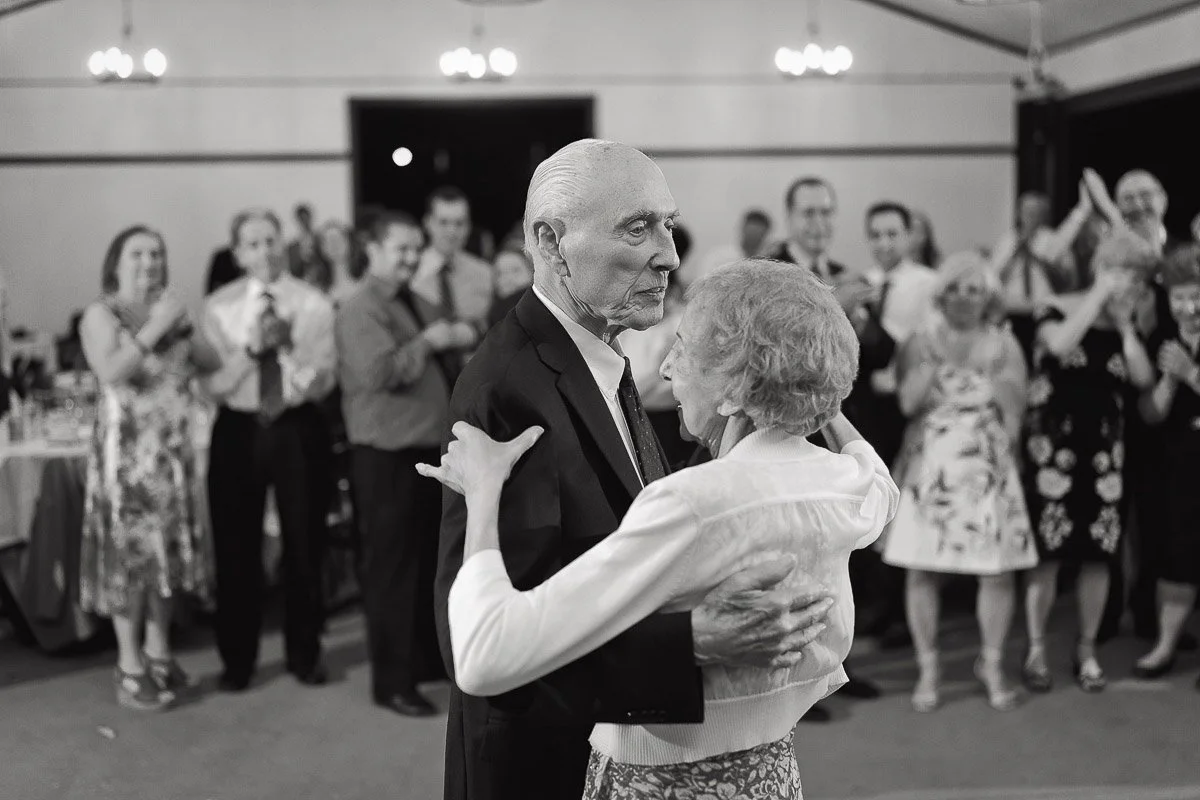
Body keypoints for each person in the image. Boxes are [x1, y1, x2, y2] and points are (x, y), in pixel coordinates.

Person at [431, 139, 835, 800]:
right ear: (552, 242)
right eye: (638, 228)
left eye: (668, 226)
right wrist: (692, 642)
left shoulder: (594, 353)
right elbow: (476, 643)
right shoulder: (509, 387)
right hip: (542, 770)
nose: (669, 256)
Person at [883, 252, 1036, 712]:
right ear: (942, 293)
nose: (966, 298)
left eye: (975, 289)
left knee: (997, 572)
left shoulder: (1005, 343)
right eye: (957, 288)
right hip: (931, 466)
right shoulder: (920, 340)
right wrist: (928, 368)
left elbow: (1016, 413)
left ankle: (990, 663)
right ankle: (928, 667)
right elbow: (907, 404)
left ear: (988, 295)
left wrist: (1005, 470)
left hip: (986, 468)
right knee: (921, 569)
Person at [78, 226, 222, 710]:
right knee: (130, 563)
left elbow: (210, 362)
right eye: (137, 253)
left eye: (157, 253)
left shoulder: (170, 311)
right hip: (128, 462)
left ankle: (160, 654)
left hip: (171, 456)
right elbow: (110, 371)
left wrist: (184, 327)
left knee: (166, 560)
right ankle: (129, 665)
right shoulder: (102, 314)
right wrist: (157, 326)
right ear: (115, 262)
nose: (149, 262)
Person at [202, 209, 337, 692]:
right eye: (253, 243)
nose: (264, 251)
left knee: (305, 541)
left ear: (284, 245)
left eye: (271, 240)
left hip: (296, 427)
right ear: (237, 253)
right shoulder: (217, 307)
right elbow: (213, 385)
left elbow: (323, 381)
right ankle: (237, 658)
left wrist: (288, 353)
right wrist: (253, 350)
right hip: (238, 426)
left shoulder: (314, 303)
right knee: (235, 543)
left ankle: (305, 652)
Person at [1021, 229, 1156, 694]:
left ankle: (1087, 649)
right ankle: (1036, 647)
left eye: (1135, 277)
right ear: (1101, 267)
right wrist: (1096, 297)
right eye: (1121, 272)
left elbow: (1141, 378)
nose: (1128, 284)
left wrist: (1122, 327)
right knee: (1048, 555)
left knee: (1099, 557)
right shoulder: (1056, 306)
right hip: (1053, 453)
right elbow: (1058, 346)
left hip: (1104, 458)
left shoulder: (1127, 325)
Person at [336, 211, 458, 717]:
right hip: (386, 455)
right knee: (391, 571)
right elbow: (380, 371)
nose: (411, 257)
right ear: (372, 250)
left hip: (423, 450)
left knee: (426, 564)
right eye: (400, 249)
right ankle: (391, 681)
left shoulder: (413, 297)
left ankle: (423, 663)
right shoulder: (359, 306)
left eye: (415, 248)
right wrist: (430, 342)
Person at [1133, 244, 1200, 689]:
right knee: (1176, 553)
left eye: (1196, 296)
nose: (1188, 306)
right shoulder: (1161, 338)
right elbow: (1151, 413)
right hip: (1180, 464)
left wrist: (1192, 372)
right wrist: (1172, 378)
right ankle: (1165, 644)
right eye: (1178, 297)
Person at [411, 187, 495, 387]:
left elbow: (496, 324)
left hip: (476, 381)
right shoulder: (410, 273)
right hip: (424, 384)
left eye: (459, 223)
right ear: (427, 223)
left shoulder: (485, 273)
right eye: (443, 222)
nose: (452, 231)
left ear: (469, 226)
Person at [486, 245, 534, 329]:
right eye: (500, 273)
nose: (508, 279)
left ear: (531, 273)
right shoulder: (494, 313)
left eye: (515, 270)